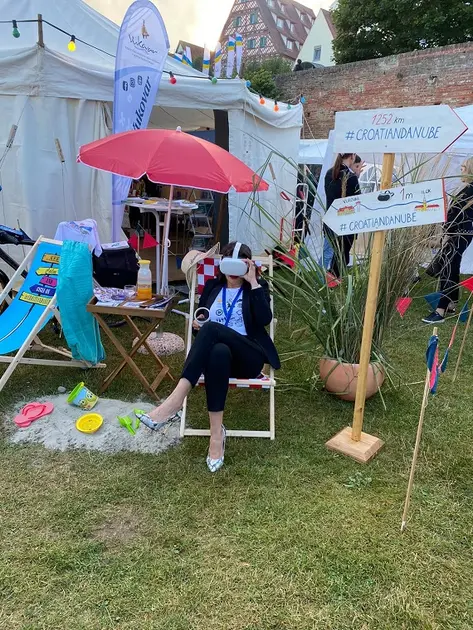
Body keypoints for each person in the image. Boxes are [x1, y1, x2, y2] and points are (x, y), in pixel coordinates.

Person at [139, 242, 280, 472]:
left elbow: (265, 319)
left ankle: (175, 401)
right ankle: (216, 436)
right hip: (221, 359)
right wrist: (197, 325)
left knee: (212, 329)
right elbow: (202, 321)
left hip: (249, 357)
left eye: (240, 265)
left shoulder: (257, 287)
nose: (234, 272)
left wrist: (253, 281)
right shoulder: (213, 287)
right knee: (217, 351)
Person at [423, 158, 473, 324]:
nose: (461, 169)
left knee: (448, 268)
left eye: (464, 167)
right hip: (460, 233)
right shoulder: (467, 188)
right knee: (451, 265)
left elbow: (457, 214)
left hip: (458, 234)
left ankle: (440, 310)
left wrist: (446, 233)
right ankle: (451, 303)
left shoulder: (470, 190)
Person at [324, 153, 361, 278]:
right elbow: (357, 200)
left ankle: (323, 279)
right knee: (341, 254)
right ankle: (334, 279)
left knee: (328, 252)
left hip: (330, 219)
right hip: (345, 222)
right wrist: (356, 177)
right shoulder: (350, 177)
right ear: (352, 157)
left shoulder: (330, 173)